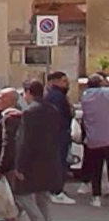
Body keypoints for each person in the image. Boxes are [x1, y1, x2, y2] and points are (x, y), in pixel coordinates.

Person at [13, 79, 64, 221]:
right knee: (42, 197)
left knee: (22, 195)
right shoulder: (53, 110)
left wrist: (19, 167)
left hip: (32, 163)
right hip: (50, 159)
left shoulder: (29, 112)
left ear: (29, 92)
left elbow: (24, 141)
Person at [0, 87, 23, 218]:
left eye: (0, 98)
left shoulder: (11, 118)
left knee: (10, 203)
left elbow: (7, 145)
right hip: (11, 166)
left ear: (9, 100)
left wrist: (0, 168)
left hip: (9, 168)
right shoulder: (11, 116)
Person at [44, 71, 76, 205]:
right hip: (59, 135)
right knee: (60, 164)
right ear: (55, 82)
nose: (67, 84)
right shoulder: (57, 97)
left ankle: (55, 190)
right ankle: (57, 192)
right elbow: (59, 117)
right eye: (64, 81)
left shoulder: (55, 96)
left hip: (57, 135)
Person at [81, 72, 109, 205]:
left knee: (96, 169)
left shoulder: (85, 96)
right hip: (108, 137)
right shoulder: (105, 93)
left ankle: (96, 196)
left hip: (93, 139)